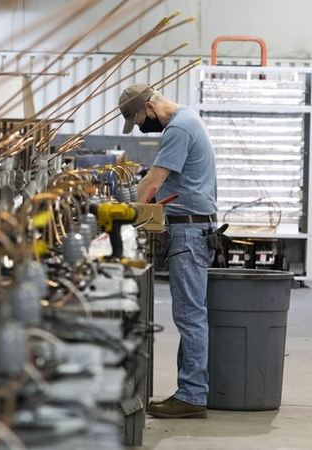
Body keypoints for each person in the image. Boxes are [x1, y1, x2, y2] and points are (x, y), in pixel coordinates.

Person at [119, 83, 218, 419]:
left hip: (189, 231)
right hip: (191, 227)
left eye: (138, 120)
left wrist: (120, 213)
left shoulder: (178, 128)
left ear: (148, 107)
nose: (142, 127)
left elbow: (152, 184)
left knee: (190, 316)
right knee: (191, 314)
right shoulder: (188, 119)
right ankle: (189, 390)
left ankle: (192, 396)